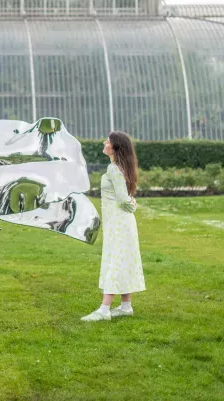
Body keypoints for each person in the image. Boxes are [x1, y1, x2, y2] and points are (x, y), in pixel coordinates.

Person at [82, 132, 145, 322]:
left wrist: (132, 204)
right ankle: (126, 307)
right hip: (118, 222)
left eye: (108, 141)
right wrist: (131, 203)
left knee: (114, 261)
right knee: (121, 259)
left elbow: (124, 200)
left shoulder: (113, 169)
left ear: (115, 147)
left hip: (119, 223)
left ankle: (104, 309)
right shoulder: (119, 168)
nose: (104, 142)